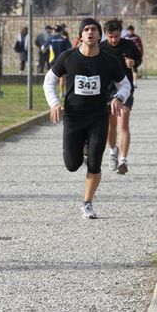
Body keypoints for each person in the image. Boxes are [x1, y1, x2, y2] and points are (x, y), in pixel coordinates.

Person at [43, 18, 131, 219]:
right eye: (86, 29)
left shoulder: (109, 60)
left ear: (99, 36)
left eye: (94, 29)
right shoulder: (68, 57)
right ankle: (82, 147)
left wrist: (119, 97)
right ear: (81, 35)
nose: (90, 32)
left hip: (98, 117)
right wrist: (55, 103)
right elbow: (49, 81)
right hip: (73, 117)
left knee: (95, 162)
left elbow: (125, 84)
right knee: (72, 165)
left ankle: (88, 203)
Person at [101, 19, 142, 175]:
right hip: (107, 91)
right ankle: (113, 152)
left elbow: (139, 59)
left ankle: (123, 160)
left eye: (116, 36)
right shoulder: (101, 47)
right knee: (111, 126)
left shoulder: (129, 45)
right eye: (111, 37)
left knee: (123, 122)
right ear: (106, 34)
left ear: (121, 33)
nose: (114, 40)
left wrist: (133, 63)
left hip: (125, 89)